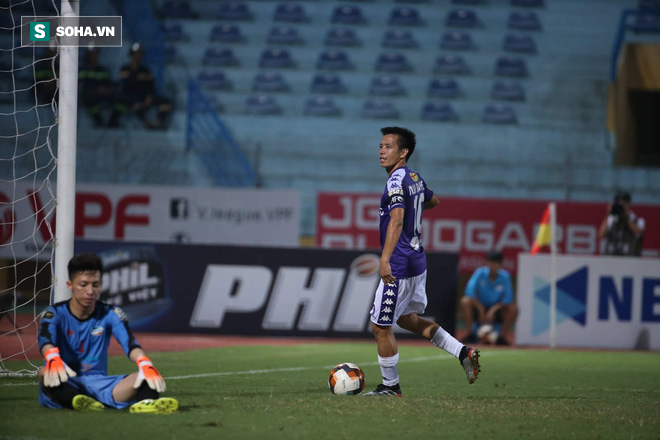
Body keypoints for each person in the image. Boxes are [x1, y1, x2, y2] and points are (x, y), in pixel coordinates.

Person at [363, 127, 481, 397]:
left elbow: (397, 219)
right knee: (407, 319)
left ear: (403, 152)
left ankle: (390, 387)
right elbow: (434, 200)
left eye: (388, 146)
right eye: (380, 146)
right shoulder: (414, 177)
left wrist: (384, 259)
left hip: (400, 264)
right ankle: (463, 352)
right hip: (418, 260)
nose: (382, 151)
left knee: (380, 326)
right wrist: (414, 204)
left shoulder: (395, 181)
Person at [37, 253, 178, 413]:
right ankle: (75, 401)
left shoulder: (111, 313)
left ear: (101, 284)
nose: (90, 291)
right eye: (83, 284)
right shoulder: (54, 313)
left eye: (95, 285)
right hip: (65, 380)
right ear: (70, 285)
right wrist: (51, 357)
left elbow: (130, 344)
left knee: (144, 376)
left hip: (101, 385)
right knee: (44, 373)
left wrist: (144, 361)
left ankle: (147, 404)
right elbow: (45, 339)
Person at [108, 43, 173, 129]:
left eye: (139, 54)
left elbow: (151, 85)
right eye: (135, 53)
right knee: (133, 103)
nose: (137, 56)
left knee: (165, 102)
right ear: (131, 54)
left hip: (144, 96)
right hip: (130, 96)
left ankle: (159, 123)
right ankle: (146, 123)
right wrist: (134, 71)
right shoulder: (125, 68)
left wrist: (149, 96)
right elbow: (127, 84)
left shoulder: (145, 70)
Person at [460, 250, 518, 346]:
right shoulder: (479, 273)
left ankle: (501, 338)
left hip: (497, 309)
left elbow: (508, 298)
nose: (493, 265)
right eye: (491, 262)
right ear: (487, 263)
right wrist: (480, 308)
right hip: (478, 307)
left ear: (500, 264)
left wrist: (493, 310)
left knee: (513, 308)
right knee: (465, 301)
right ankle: (471, 334)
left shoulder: (505, 276)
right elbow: (469, 292)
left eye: (496, 263)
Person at [598, 191, 645, 256]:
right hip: (611, 258)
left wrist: (626, 216)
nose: (621, 205)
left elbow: (637, 233)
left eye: (624, 203)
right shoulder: (612, 219)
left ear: (629, 203)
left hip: (630, 259)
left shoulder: (638, 220)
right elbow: (601, 234)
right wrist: (608, 214)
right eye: (619, 203)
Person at [78, 46, 116, 127]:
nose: (94, 55)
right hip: (87, 96)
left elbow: (108, 83)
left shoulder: (102, 69)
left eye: (96, 53)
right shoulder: (81, 68)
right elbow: (81, 85)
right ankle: (98, 122)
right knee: (90, 101)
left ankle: (113, 123)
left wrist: (106, 90)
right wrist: (95, 89)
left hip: (102, 95)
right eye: (92, 53)